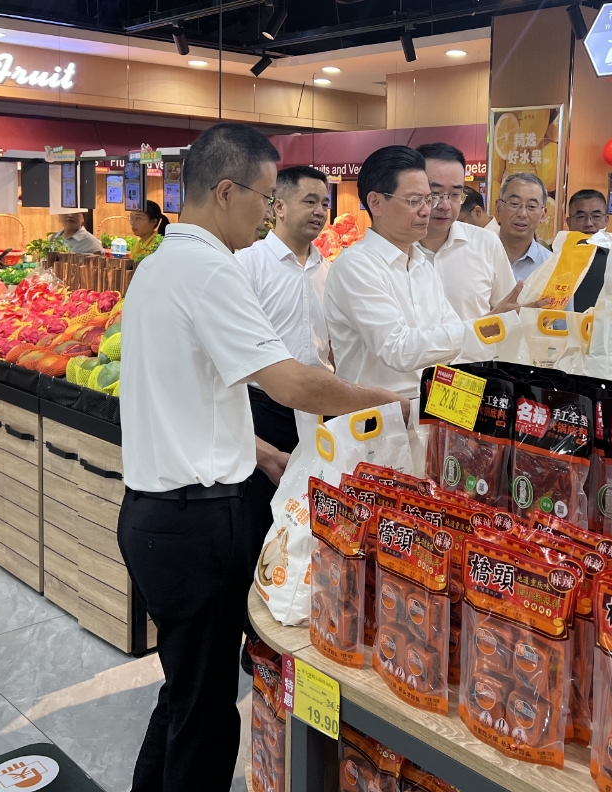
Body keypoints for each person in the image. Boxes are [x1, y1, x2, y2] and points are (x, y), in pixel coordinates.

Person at [118, 124, 405, 792]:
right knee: (206, 717)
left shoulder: (158, 265)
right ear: (226, 191)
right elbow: (293, 383)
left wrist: (258, 452)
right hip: (194, 525)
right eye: (267, 196)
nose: (270, 211)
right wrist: (390, 402)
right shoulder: (210, 269)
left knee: (185, 695)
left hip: (154, 515)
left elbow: (180, 390)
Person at [324, 145, 465, 401]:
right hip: (374, 414)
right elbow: (397, 349)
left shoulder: (422, 264)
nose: (427, 210)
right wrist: (478, 330)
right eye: (414, 201)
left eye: (428, 199)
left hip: (426, 406)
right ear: (376, 202)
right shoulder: (356, 265)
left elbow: (453, 334)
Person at [235, 165, 332, 455]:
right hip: (264, 407)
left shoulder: (330, 270)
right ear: (279, 207)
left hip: (320, 406)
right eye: (310, 201)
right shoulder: (246, 265)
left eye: (325, 204)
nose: (319, 211)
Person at [415, 143, 520, 320]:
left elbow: (508, 313)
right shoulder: (396, 249)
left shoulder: (487, 244)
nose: (445, 205)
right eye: (435, 193)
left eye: (455, 195)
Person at [495, 172, 551, 280]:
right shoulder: (476, 255)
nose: (522, 214)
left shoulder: (550, 266)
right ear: (498, 207)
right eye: (514, 203)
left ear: (543, 215)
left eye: (532, 206)